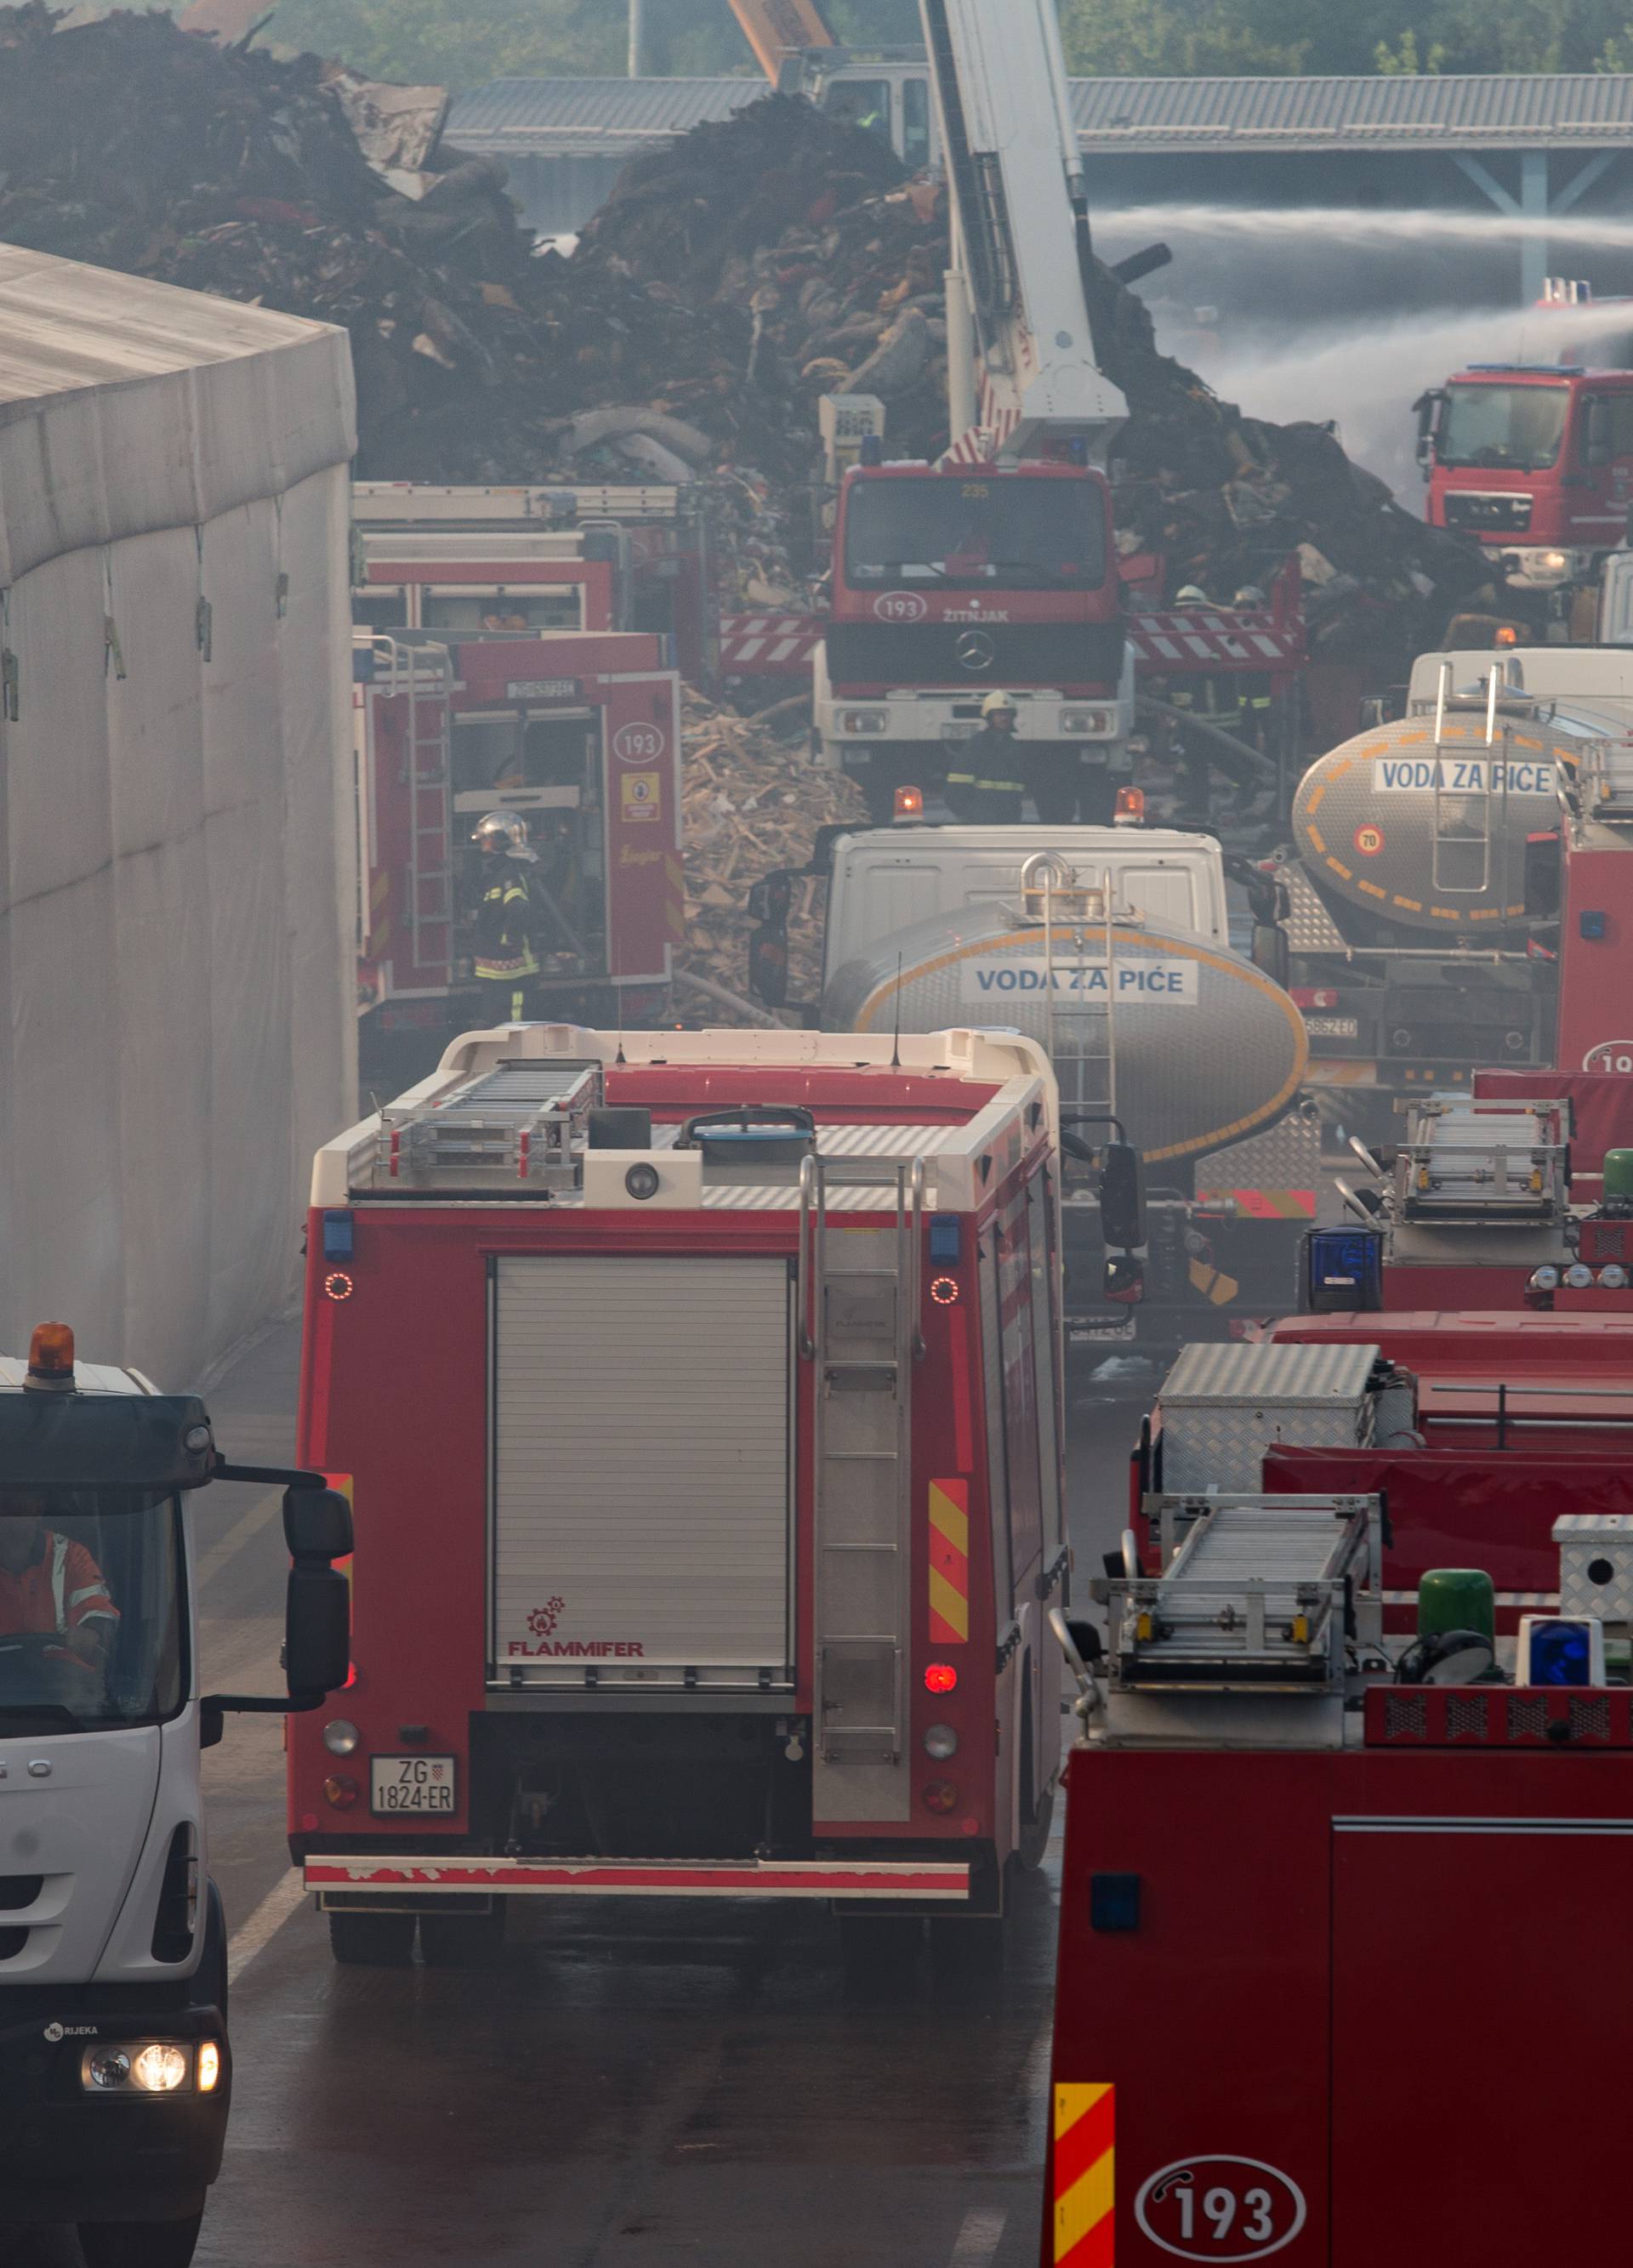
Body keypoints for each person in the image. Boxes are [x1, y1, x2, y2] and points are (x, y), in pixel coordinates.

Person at [0, 1496, 118, 1669]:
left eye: (13, 1506)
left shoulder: (70, 1555)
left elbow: (96, 1607)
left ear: (36, 1510)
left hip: (64, 1682)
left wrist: (90, 1631)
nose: (4, 1515)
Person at [470, 811, 540, 1024]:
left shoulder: (508, 874)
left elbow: (519, 909)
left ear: (501, 841)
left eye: (486, 838)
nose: (483, 843)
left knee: (511, 1025)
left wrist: (509, 939)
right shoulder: (500, 872)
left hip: (511, 971)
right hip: (499, 972)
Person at [945, 690, 1027, 822]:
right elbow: (956, 789)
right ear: (989, 717)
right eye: (999, 714)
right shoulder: (976, 745)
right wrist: (967, 817)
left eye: (1007, 714)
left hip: (1009, 821)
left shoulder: (1014, 747)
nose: (1004, 718)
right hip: (979, 821)